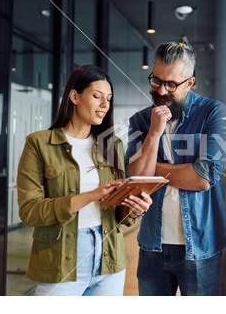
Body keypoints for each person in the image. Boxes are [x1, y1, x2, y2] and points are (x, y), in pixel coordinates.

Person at [17, 65, 152, 296]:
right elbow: (30, 211)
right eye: (97, 96)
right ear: (74, 96)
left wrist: (135, 209)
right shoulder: (38, 144)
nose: (104, 105)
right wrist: (91, 195)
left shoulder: (112, 145)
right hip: (61, 260)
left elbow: (119, 215)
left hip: (110, 259)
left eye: (108, 99)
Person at [126, 37, 226, 296]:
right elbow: (137, 178)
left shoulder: (213, 113)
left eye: (171, 84)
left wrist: (153, 170)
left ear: (190, 82)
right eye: (156, 81)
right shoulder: (141, 120)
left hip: (201, 245)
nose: (161, 91)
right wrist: (153, 132)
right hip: (152, 244)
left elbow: (203, 178)